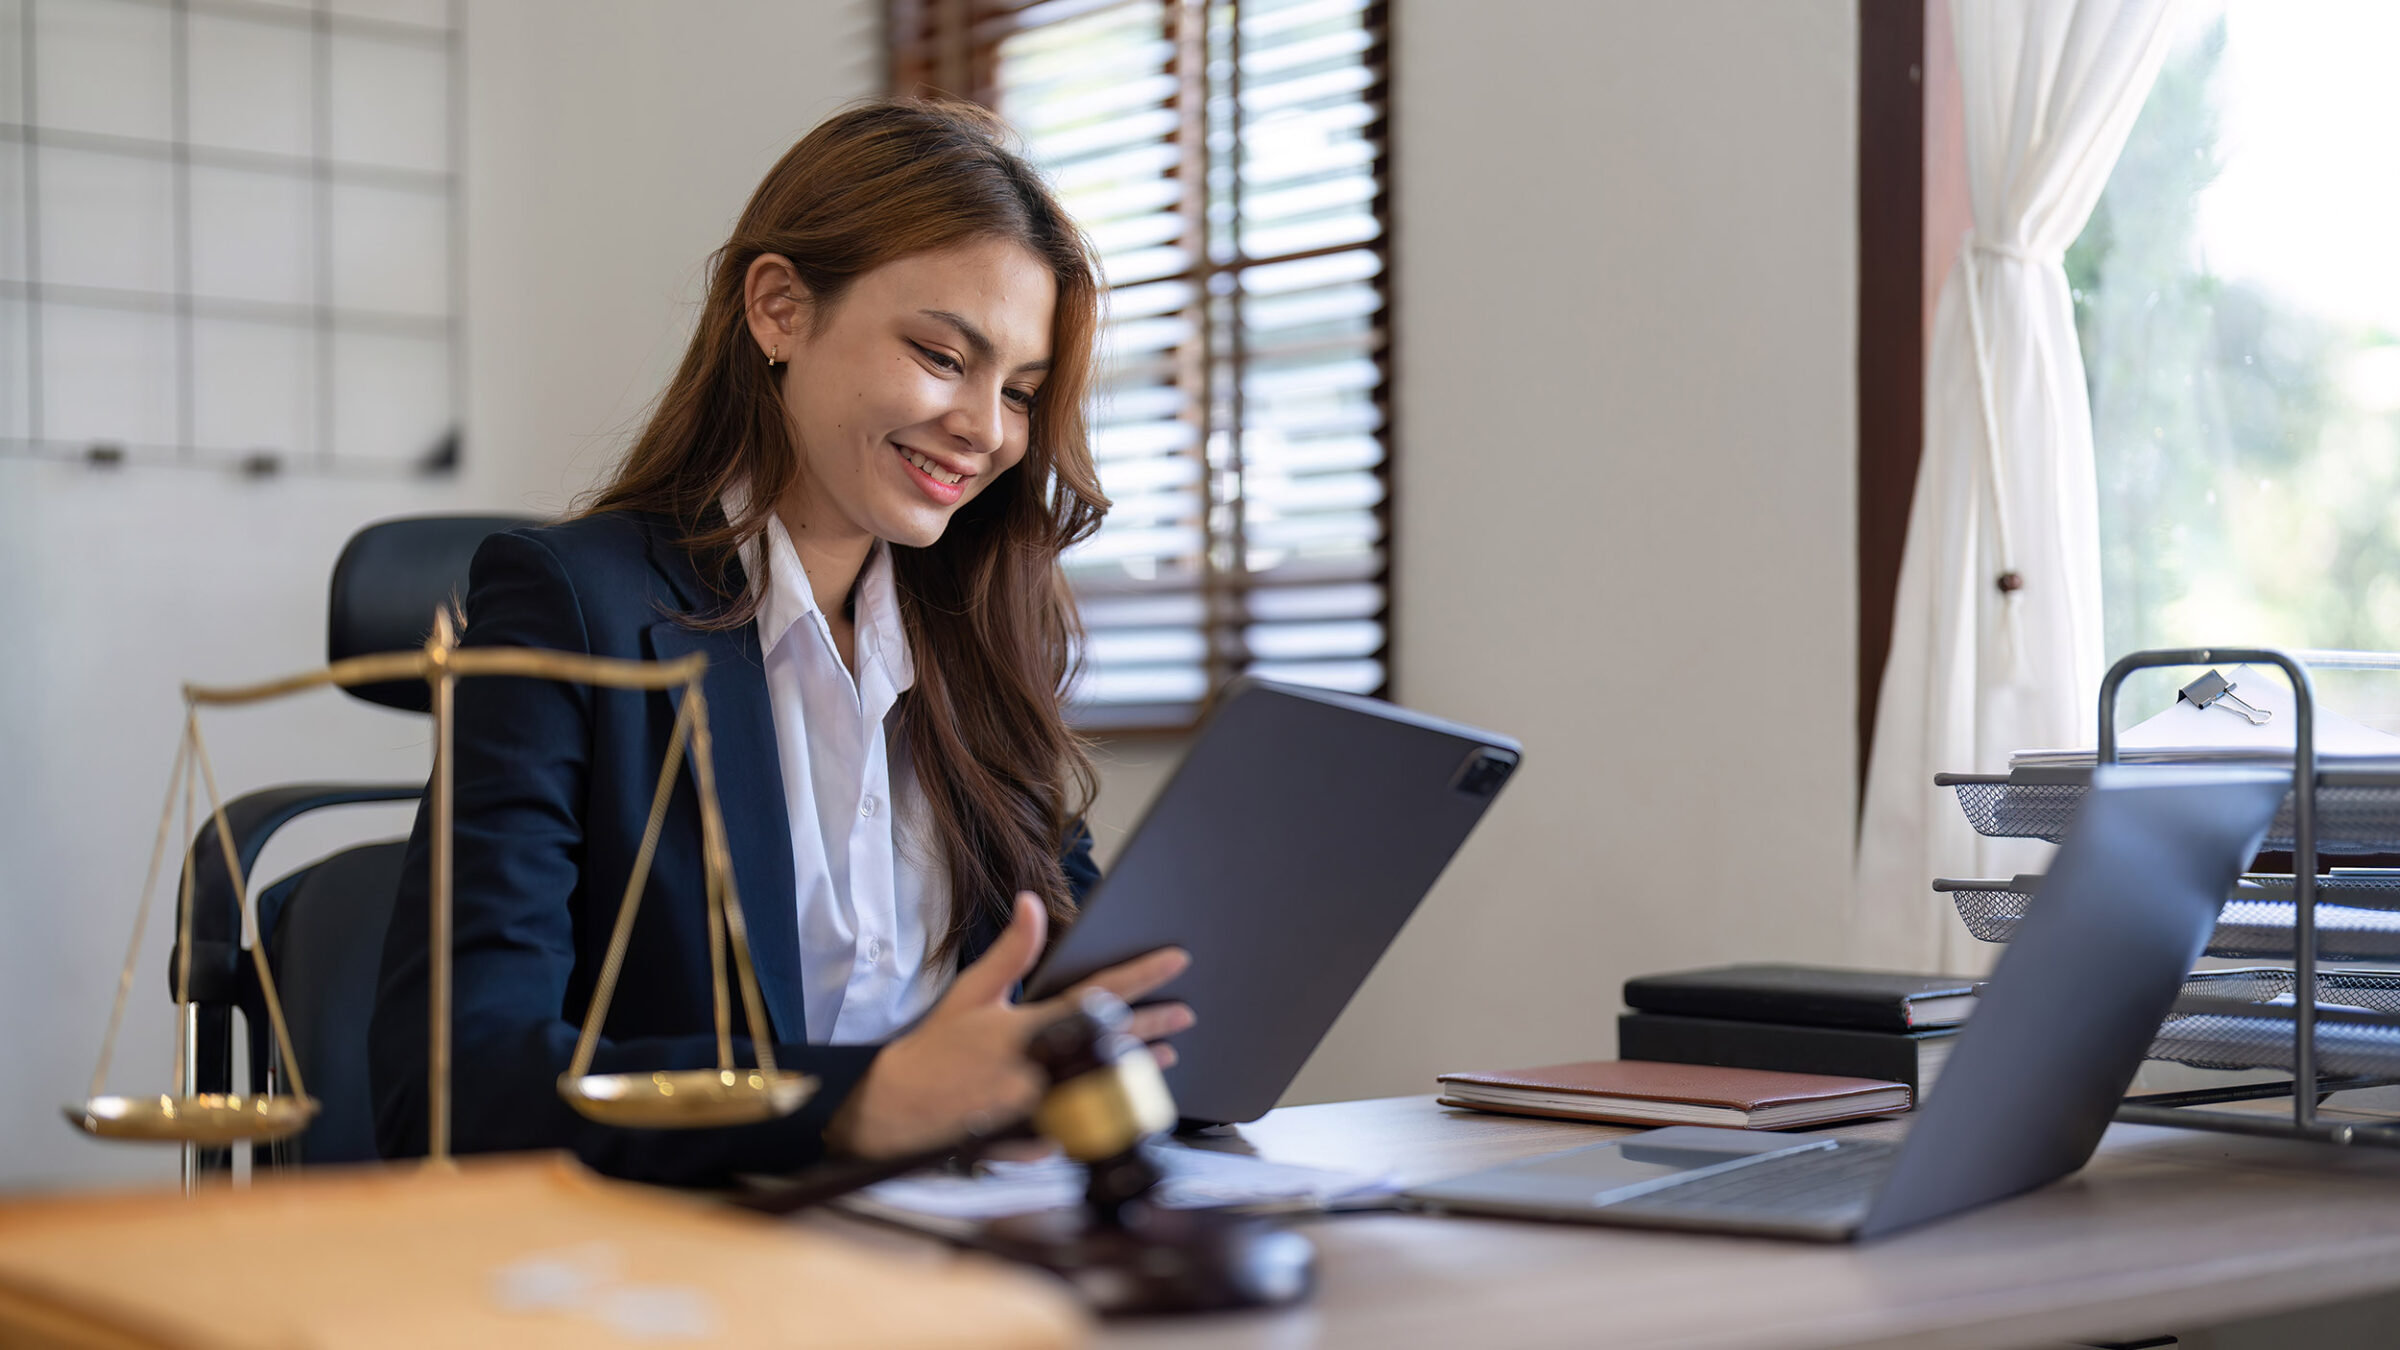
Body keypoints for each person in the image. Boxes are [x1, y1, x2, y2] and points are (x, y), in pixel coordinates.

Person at [369, 100, 1192, 1185]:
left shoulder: (976, 637)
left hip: (962, 1234)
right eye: (944, 355)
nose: (987, 428)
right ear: (779, 310)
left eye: (1022, 392)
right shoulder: (575, 603)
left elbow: (1052, 982)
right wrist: (860, 1104)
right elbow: (456, 1081)